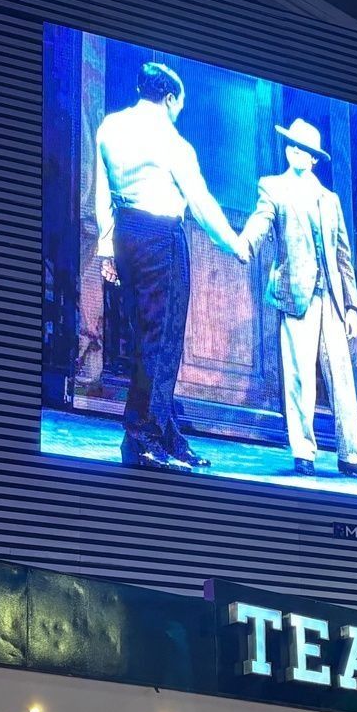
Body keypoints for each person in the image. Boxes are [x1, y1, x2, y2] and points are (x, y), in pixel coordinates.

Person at [93, 61, 247, 473]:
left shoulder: (110, 126)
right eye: (180, 104)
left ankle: (164, 431)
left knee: (147, 337)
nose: (179, 111)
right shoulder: (172, 141)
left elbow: (101, 189)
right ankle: (141, 437)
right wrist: (233, 244)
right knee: (163, 341)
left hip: (127, 232)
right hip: (162, 238)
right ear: (170, 98)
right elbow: (200, 202)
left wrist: (107, 247)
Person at [231, 117, 357, 479]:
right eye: (293, 146)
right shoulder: (273, 187)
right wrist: (244, 244)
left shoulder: (329, 199)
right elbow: (261, 221)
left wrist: (353, 306)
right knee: (299, 376)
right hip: (298, 294)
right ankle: (303, 452)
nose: (297, 152)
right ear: (287, 149)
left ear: (314, 159)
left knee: (342, 376)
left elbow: (344, 254)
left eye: (305, 149)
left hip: (333, 298)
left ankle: (352, 457)